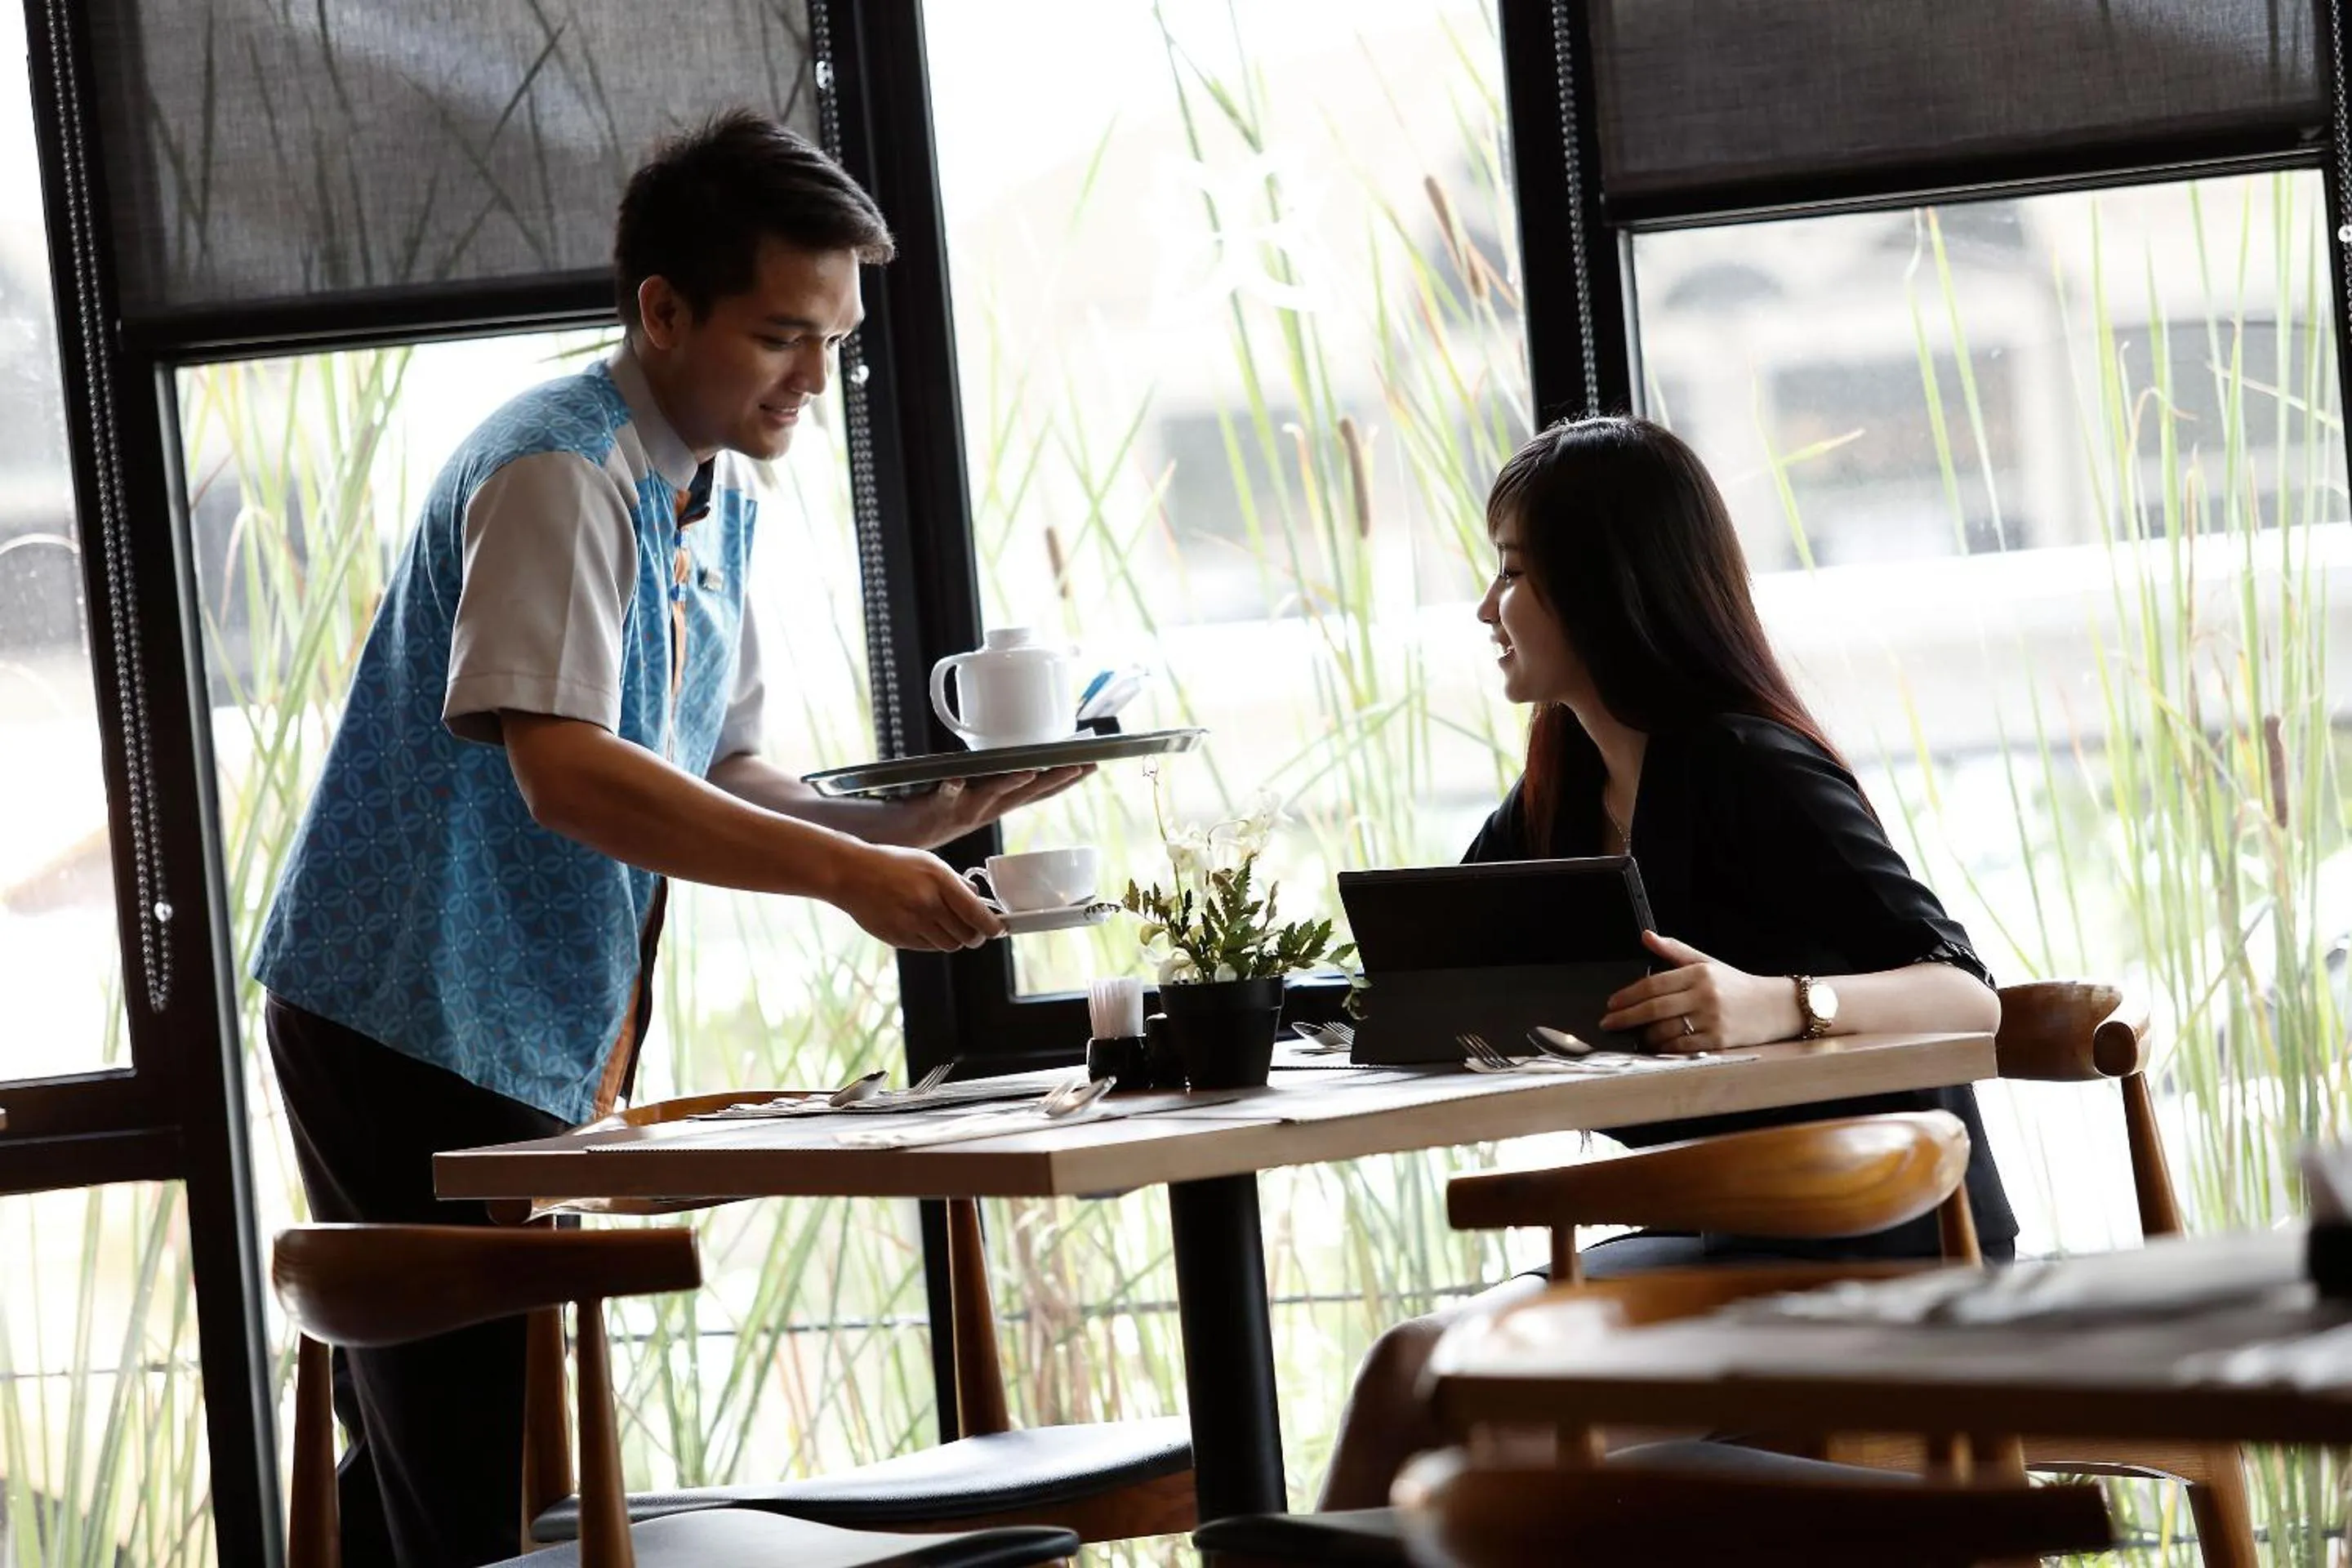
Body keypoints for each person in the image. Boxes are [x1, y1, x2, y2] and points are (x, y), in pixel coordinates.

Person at [252, 110, 1082, 1568]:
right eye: (782, 336)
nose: (818, 379)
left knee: (445, 1465)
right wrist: (847, 878)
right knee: (474, 1478)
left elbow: (723, 759)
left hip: (518, 1018)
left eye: (835, 339)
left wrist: (900, 825)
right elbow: (567, 774)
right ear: (662, 308)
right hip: (399, 1007)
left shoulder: (727, 493)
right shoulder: (558, 474)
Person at [1314, 414, 2015, 1510]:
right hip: (1716, 1245)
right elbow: (1427, 982)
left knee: (1486, 1432)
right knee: (1406, 1372)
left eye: (1512, 574)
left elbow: (1969, 995)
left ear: (1604, 583)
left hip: (1879, 1258)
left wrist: (1779, 1005)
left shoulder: (1750, 765)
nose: (1486, 610)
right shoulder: (1559, 800)